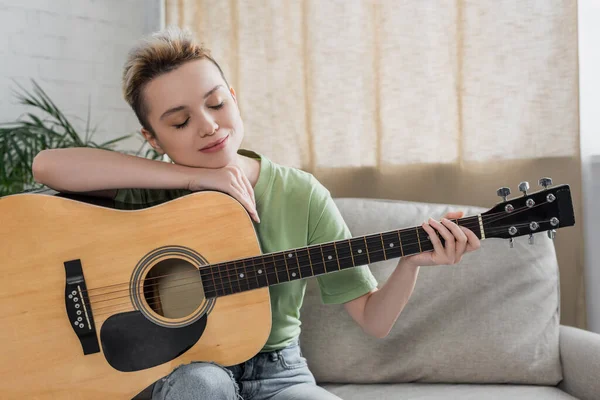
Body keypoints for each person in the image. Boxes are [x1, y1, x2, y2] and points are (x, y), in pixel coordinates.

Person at [32, 26, 480, 400]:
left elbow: (374, 320)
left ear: (233, 96)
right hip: (182, 369)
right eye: (180, 121)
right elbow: (46, 165)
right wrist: (193, 179)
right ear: (152, 138)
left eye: (216, 103)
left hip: (278, 372)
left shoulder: (300, 193)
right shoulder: (148, 188)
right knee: (201, 388)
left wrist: (411, 261)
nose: (208, 125)